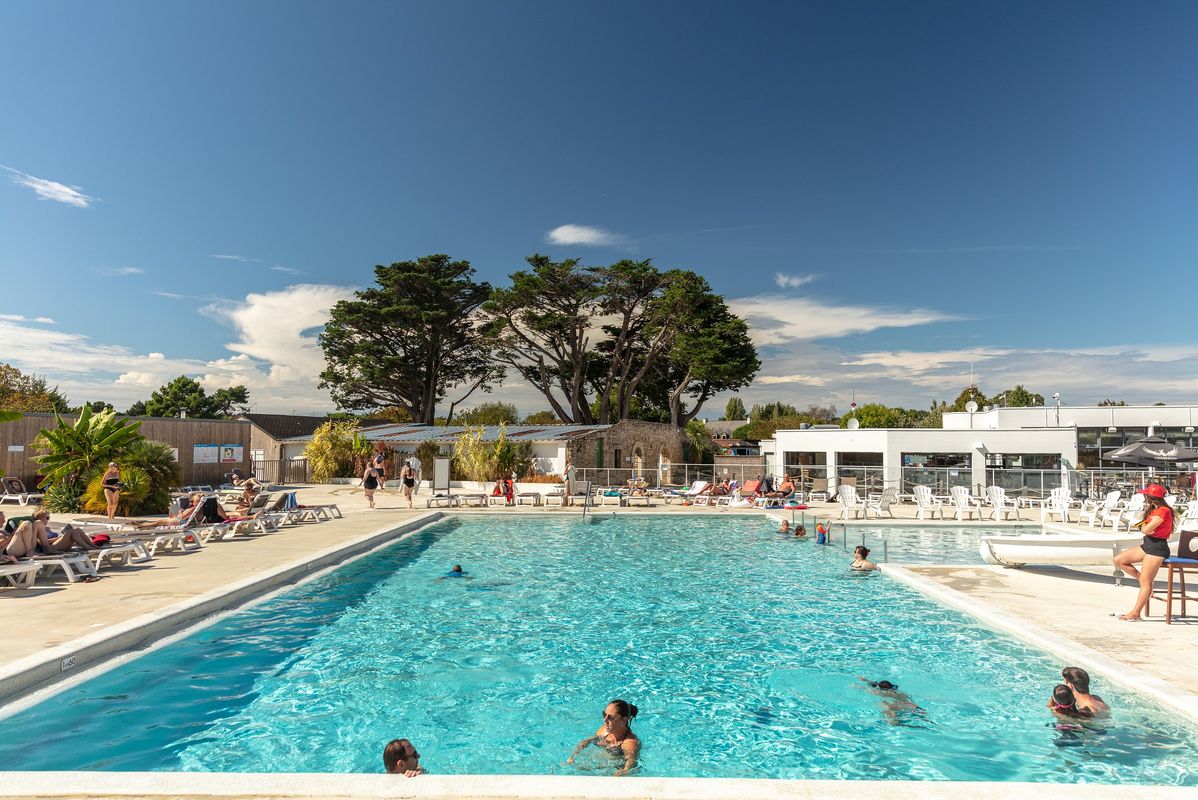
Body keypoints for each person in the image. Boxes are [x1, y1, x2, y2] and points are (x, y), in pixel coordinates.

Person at [1113, 484, 1174, 621]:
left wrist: (1144, 527)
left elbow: (1146, 530)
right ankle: (1144, 580)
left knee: (1146, 584)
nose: (1144, 497)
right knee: (1119, 560)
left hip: (1157, 548)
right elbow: (1148, 528)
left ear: (1150, 497)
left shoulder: (1163, 511)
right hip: (1149, 544)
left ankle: (1136, 613)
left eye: (1146, 495)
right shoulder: (1156, 509)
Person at [568, 699, 640, 776]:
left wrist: (625, 771)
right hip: (604, 760)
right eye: (604, 714)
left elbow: (631, 761)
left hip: (617, 766)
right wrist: (572, 756)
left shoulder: (630, 742)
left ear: (623, 720)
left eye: (610, 717)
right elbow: (587, 741)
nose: (605, 720)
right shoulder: (603, 731)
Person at [859, 678, 927, 726]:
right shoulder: (898, 692)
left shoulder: (882, 693)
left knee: (892, 723)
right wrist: (866, 680)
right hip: (910, 705)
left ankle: (911, 726)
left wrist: (859, 685)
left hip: (896, 707)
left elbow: (866, 688)